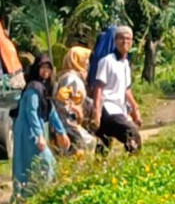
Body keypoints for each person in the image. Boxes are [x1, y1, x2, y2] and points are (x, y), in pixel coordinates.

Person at [11, 54, 69, 202]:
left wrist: (62, 132)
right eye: (43, 68)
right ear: (37, 69)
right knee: (42, 160)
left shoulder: (45, 87)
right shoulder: (33, 88)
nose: (46, 71)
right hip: (27, 130)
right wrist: (39, 135)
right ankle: (26, 194)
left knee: (38, 162)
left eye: (48, 68)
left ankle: (36, 194)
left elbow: (51, 111)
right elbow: (31, 112)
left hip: (35, 129)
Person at [91, 26, 142, 154]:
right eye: (121, 38)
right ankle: (134, 167)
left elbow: (126, 90)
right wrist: (96, 112)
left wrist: (135, 109)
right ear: (115, 41)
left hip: (119, 108)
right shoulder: (107, 61)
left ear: (132, 42)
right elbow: (98, 87)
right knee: (132, 134)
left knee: (104, 144)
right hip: (108, 109)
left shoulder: (125, 64)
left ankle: (98, 170)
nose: (125, 42)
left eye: (128, 39)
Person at [54, 46, 96, 156]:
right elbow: (63, 103)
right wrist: (76, 114)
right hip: (68, 122)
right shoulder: (71, 78)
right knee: (84, 145)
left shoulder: (73, 77)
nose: (87, 63)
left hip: (72, 121)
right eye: (84, 59)